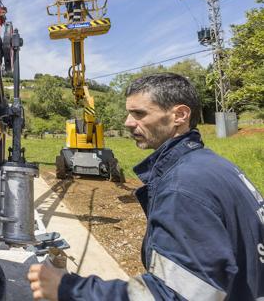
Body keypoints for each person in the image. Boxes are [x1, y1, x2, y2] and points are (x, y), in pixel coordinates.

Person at [28, 73, 264, 300]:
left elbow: (175, 295)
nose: (128, 123)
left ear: (179, 115)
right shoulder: (215, 166)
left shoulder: (182, 187)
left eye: (139, 114)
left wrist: (68, 288)